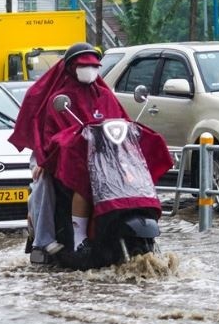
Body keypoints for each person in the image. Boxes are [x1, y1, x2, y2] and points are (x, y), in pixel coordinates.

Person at [9, 42, 129, 264]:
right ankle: (60, 239)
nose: (89, 70)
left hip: (101, 159)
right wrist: (44, 161)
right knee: (45, 181)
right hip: (57, 156)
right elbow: (48, 134)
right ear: (72, 67)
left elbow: (121, 124)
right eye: (84, 65)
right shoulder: (59, 99)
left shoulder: (104, 95)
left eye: (94, 66)